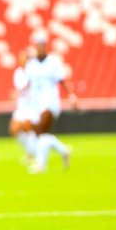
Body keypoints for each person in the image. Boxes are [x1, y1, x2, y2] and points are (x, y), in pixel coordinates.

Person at [24, 31, 76, 174]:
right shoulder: (31, 64)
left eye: (41, 44)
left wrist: (71, 95)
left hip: (50, 101)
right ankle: (64, 151)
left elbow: (62, 80)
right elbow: (28, 83)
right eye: (37, 44)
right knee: (40, 132)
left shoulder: (54, 62)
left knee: (41, 129)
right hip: (36, 103)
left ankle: (41, 164)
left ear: (45, 45)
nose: (39, 47)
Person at [9, 49, 38, 166]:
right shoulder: (18, 73)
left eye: (23, 58)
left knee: (29, 129)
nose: (21, 61)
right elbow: (22, 86)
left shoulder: (35, 72)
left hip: (33, 106)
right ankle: (32, 152)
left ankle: (33, 155)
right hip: (22, 106)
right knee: (14, 129)